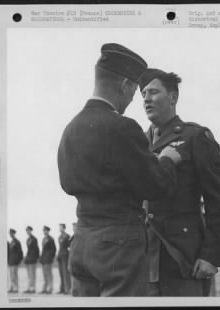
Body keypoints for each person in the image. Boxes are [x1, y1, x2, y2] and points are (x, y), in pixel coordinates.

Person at [57, 44, 182, 297]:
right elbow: (155, 186)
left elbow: (67, 183)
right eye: (135, 91)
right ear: (125, 85)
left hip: (81, 240)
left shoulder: (71, 127)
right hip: (118, 244)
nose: (133, 99)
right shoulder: (123, 127)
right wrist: (167, 160)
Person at [139, 69, 220, 296]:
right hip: (144, 259)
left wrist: (211, 256)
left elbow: (218, 201)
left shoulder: (195, 138)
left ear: (173, 97)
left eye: (153, 92)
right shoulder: (139, 142)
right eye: (143, 94)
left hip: (183, 257)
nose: (146, 99)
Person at [39, 226, 56, 294]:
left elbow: (54, 249)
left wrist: (50, 257)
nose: (44, 232)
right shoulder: (43, 239)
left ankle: (50, 288)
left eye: (46, 230)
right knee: (44, 274)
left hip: (48, 259)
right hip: (43, 259)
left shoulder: (51, 239)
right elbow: (43, 250)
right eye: (44, 230)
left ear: (48, 231)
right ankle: (45, 288)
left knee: (49, 274)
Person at [23, 226, 40, 294]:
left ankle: (33, 288)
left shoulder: (34, 239)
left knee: (32, 274)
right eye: (27, 230)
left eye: (29, 230)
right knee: (29, 275)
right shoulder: (27, 239)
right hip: (28, 259)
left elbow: (37, 249)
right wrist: (26, 258)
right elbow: (28, 250)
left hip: (33, 259)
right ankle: (29, 287)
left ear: (31, 231)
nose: (28, 232)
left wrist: (36, 258)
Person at [8, 229, 23, 293]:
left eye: (12, 233)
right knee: (11, 275)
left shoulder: (17, 242)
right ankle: (12, 287)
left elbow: (20, 252)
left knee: (15, 275)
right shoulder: (10, 242)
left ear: (14, 233)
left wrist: (18, 260)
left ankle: (16, 288)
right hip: (10, 261)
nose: (11, 234)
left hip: (15, 261)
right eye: (10, 233)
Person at [57, 223, 71, 294]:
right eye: (59, 227)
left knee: (66, 273)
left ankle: (67, 289)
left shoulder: (67, 236)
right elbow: (60, 247)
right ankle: (62, 288)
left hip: (65, 256)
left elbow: (70, 246)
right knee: (61, 273)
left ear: (64, 228)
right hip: (60, 256)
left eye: (61, 227)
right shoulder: (59, 237)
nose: (59, 228)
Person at [68, 222, 79, 296]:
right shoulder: (72, 237)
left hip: (77, 261)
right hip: (72, 260)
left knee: (77, 279)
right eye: (73, 227)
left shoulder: (80, 237)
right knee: (73, 278)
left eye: (75, 227)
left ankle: (76, 291)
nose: (74, 228)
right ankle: (73, 291)